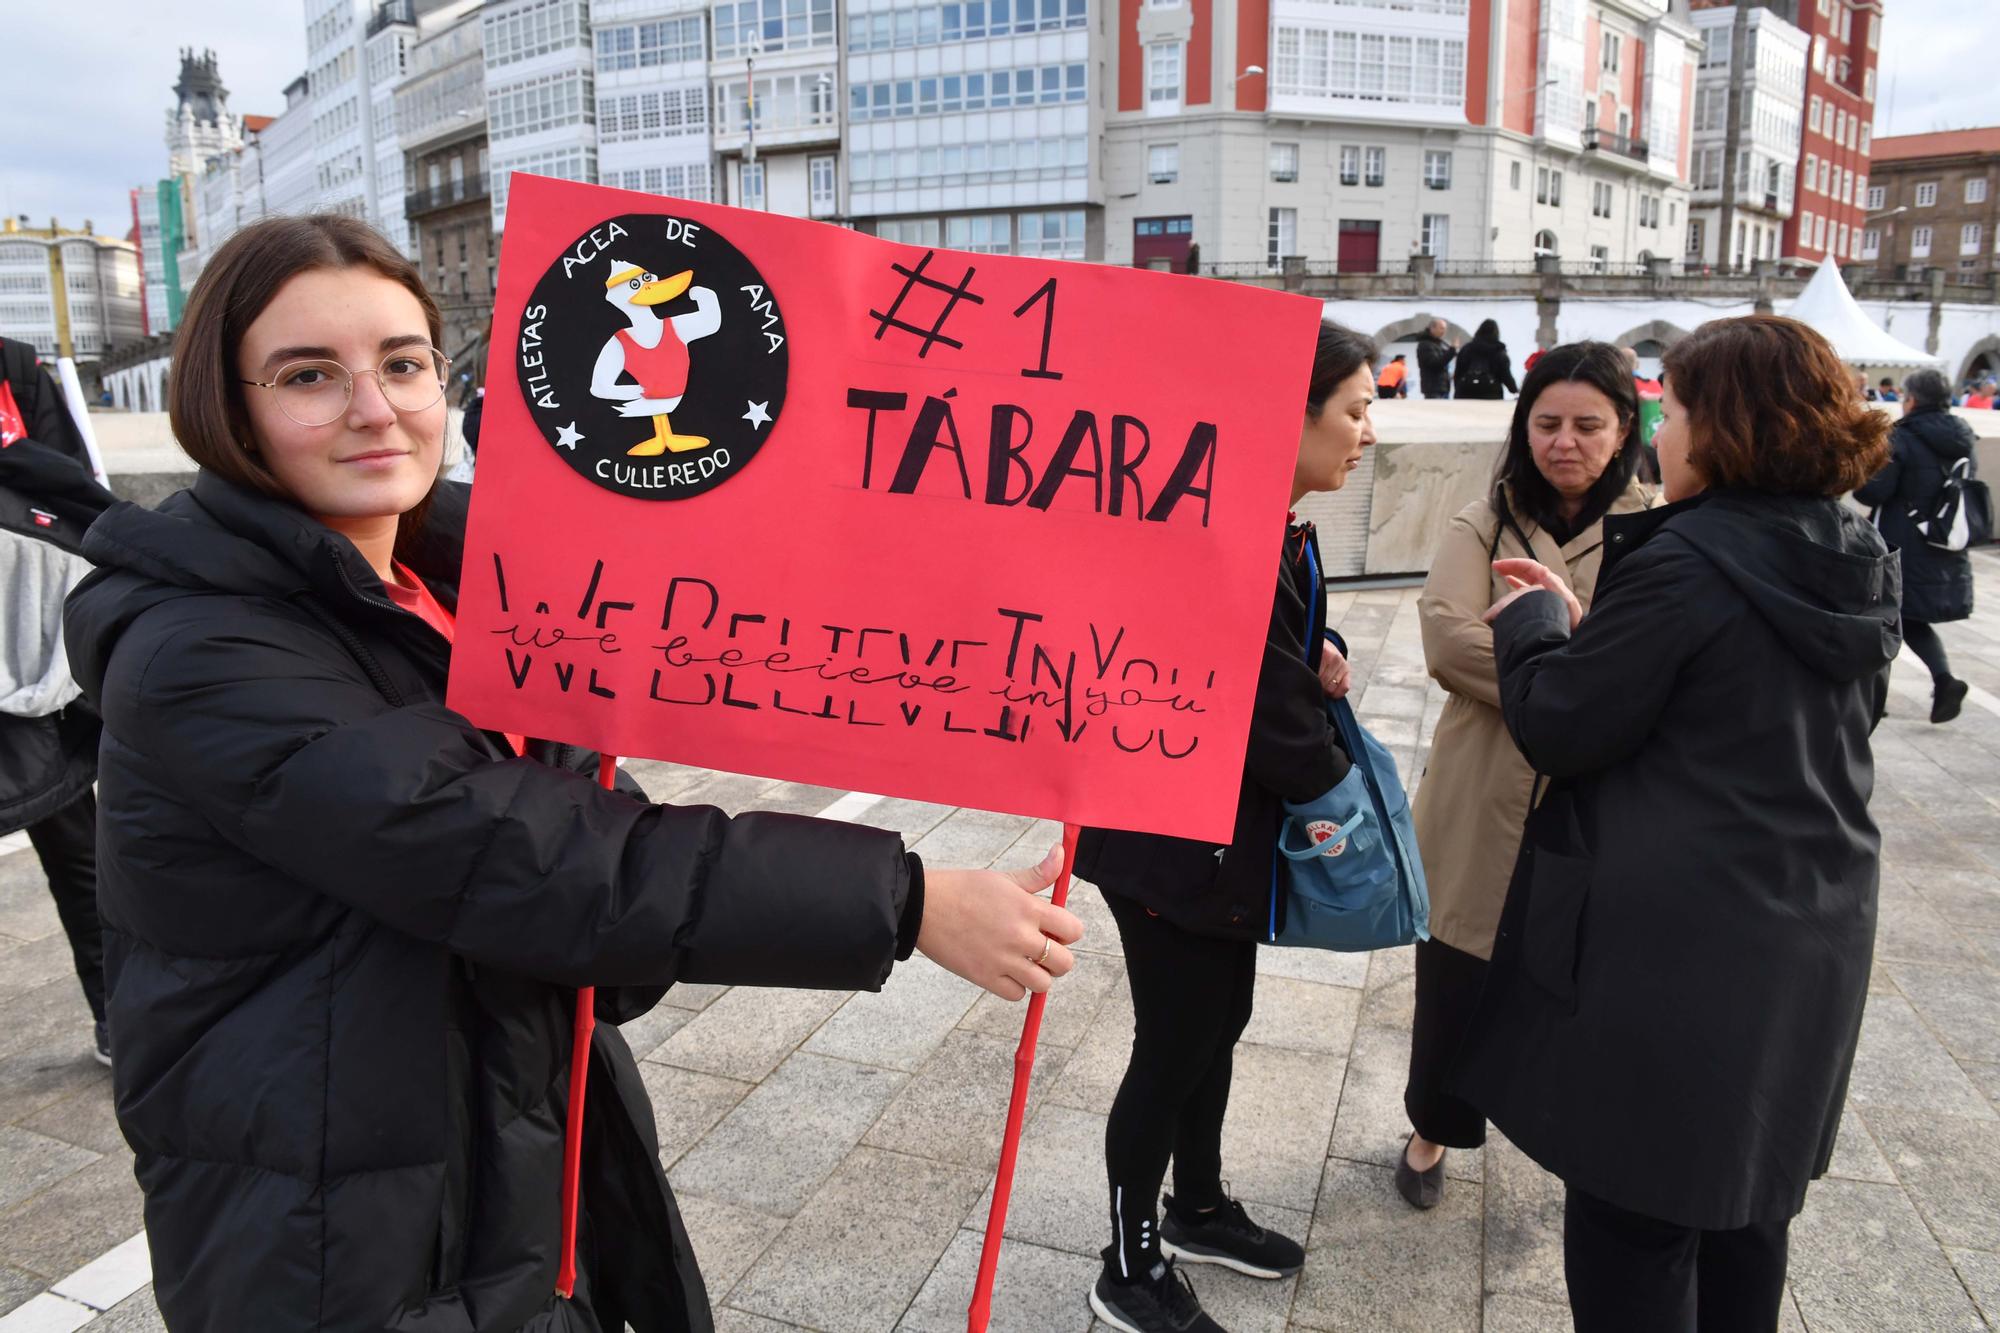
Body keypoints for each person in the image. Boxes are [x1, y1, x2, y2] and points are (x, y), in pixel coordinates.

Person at [61, 215, 1085, 1332]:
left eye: (402, 364)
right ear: (230, 404)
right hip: (334, 1220)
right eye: (309, 375)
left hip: (506, 1140)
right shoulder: (200, 649)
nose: (375, 407)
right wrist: (903, 898)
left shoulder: (472, 583)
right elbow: (509, 847)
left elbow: (587, 832)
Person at [1454, 314, 1896, 1333]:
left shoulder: (1690, 556)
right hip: (1809, 923)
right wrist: (1590, 631)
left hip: (1674, 948)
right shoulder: (1851, 546)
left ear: (1724, 424)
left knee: (1635, 1217)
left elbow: (1562, 723)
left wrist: (1534, 627)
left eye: (1674, 408)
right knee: (1745, 1203)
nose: (1662, 430)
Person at [1075, 320, 1378, 1333]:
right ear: (1285, 417)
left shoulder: (1273, 522)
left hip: (1221, 837)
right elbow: (1264, 710)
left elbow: (1275, 651)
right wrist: (1353, 802)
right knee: (1174, 1041)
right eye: (1352, 408)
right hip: (1169, 839)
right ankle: (1127, 1263)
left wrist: (1321, 641)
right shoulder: (1216, 533)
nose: (1365, 431)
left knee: (1219, 1020)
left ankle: (1196, 1207)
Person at [1396, 342, 1655, 1210]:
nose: (1565, 442)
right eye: (1547, 423)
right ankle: (1431, 1131)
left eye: (1589, 424)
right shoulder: (1485, 520)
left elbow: (1655, 669)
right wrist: (1585, 673)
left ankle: (1580, 1146)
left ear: (1624, 432)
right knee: (1457, 982)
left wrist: (1533, 647)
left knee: (1582, 986)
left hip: (1593, 801)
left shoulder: (1655, 528)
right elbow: (1445, 638)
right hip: (1479, 791)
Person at [0, 337, 117, 1067]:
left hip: (24, 650)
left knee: (76, 841)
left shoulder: (14, 367)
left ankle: (117, 1015)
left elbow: (70, 488)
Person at [1854, 367, 1979, 723]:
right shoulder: (1962, 436)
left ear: (1910, 400)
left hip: (1901, 539)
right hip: (1940, 539)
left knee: (1884, 614)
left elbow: (1873, 491)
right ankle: (1943, 681)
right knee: (1905, 616)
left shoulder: (1903, 437)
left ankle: (1876, 696)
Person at [1453, 320, 1518, 400]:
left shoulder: (1466, 349)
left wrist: (1458, 388)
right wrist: (1514, 390)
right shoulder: (1498, 351)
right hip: (1491, 392)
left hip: (1466, 391)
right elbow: (1505, 374)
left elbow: (1458, 372)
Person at [1416, 318, 1457, 398]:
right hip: (1433, 387)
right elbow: (1436, 364)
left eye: (1445, 329)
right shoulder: (1425, 345)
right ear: (1432, 328)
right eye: (1441, 328)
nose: (1443, 331)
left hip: (1442, 386)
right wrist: (1452, 350)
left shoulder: (1437, 344)